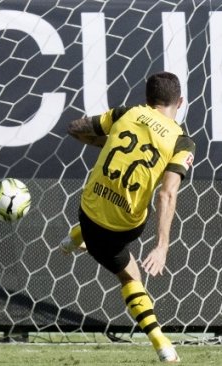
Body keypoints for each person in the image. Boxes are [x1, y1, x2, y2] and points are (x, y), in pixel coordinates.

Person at [61, 71, 195, 363]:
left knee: (93, 226)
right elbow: (166, 194)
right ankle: (161, 342)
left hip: (87, 208)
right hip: (123, 227)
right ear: (180, 102)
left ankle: (75, 238)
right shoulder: (182, 142)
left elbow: (75, 128)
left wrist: (107, 143)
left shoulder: (126, 113)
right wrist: (162, 246)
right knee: (130, 276)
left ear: (147, 98)